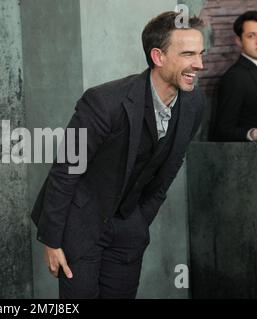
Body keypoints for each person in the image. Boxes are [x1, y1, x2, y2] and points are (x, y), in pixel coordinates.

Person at [31, 11, 205, 299]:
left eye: (201, 54)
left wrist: (137, 221)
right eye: (188, 54)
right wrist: (52, 240)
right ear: (158, 57)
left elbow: (168, 171)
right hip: (81, 224)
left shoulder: (194, 103)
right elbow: (66, 171)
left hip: (128, 229)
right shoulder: (103, 101)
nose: (198, 64)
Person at [214, 11, 257, 142]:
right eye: (251, 36)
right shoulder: (234, 77)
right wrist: (253, 133)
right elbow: (222, 130)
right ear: (239, 41)